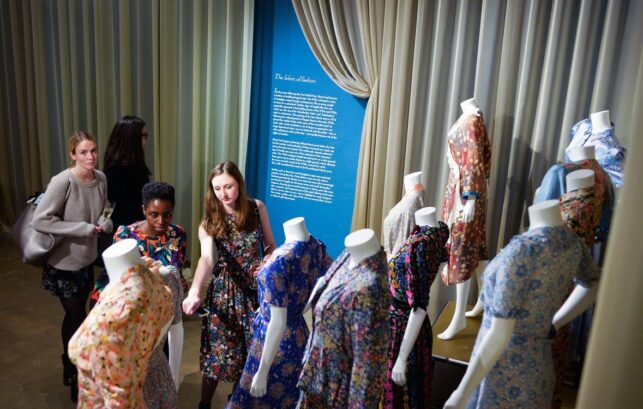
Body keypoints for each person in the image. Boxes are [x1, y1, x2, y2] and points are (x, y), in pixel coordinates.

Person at [182, 161, 276, 409]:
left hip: (255, 293)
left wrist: (266, 261)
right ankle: (205, 404)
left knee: (248, 355)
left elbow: (270, 246)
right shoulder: (209, 222)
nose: (223, 194)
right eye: (217, 188)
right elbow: (206, 259)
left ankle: (236, 403)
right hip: (223, 295)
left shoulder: (256, 208)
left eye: (229, 187)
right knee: (218, 356)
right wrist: (194, 290)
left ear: (239, 184)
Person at [90, 181, 188, 406]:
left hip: (162, 308)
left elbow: (177, 268)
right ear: (143, 209)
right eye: (154, 214)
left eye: (167, 214)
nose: (161, 221)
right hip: (129, 314)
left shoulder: (178, 235)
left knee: (157, 362)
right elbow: (117, 280)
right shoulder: (126, 235)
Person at [32, 130, 112, 402]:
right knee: (76, 318)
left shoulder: (100, 178)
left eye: (94, 151)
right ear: (72, 155)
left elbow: (103, 211)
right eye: (83, 152)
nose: (90, 157)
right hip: (63, 263)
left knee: (80, 318)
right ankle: (76, 371)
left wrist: (106, 223)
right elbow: (41, 220)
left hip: (86, 261)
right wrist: (81, 228)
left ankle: (71, 364)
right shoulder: (63, 181)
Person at [96, 115, 151, 267]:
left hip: (133, 227)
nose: (146, 139)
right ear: (131, 138)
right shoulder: (118, 168)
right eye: (143, 135)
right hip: (126, 231)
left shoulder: (132, 163)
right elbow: (121, 207)